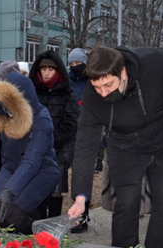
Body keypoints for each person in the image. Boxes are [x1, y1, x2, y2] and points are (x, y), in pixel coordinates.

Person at [68, 46, 163, 248]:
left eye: (108, 85)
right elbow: (85, 147)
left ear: (122, 72)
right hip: (125, 146)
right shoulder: (93, 99)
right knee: (126, 203)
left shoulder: (156, 62)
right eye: (97, 87)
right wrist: (81, 197)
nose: (103, 93)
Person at [0, 61, 59, 234]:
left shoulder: (41, 120)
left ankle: (41, 237)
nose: (6, 111)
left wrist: (10, 191)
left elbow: (32, 162)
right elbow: (8, 162)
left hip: (42, 173)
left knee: (13, 212)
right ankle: (23, 236)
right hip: (17, 171)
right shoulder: (8, 119)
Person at [29, 50, 79, 220]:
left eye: (51, 69)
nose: (47, 72)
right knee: (38, 188)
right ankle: (39, 225)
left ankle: (54, 224)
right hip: (36, 148)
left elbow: (71, 120)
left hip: (60, 148)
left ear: (57, 71)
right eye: (44, 69)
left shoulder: (66, 91)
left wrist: (54, 140)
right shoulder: (33, 91)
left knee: (56, 191)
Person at [67, 47, 104, 233]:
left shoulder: (92, 81)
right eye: (71, 63)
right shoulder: (68, 82)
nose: (75, 66)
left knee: (85, 170)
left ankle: (83, 214)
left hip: (89, 128)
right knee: (77, 171)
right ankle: (77, 211)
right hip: (72, 131)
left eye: (78, 63)